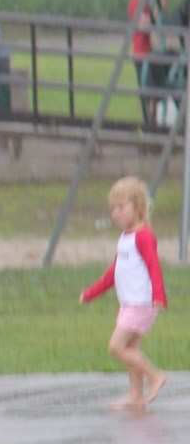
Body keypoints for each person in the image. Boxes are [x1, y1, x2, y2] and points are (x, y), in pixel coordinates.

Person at [80, 176, 167, 412]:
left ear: (137, 206)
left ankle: (155, 375)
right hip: (130, 303)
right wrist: (91, 293)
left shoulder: (144, 236)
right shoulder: (125, 239)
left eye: (121, 207)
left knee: (117, 346)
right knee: (131, 349)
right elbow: (113, 273)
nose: (115, 213)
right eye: (112, 208)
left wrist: (159, 294)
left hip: (142, 303)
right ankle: (135, 396)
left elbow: (153, 266)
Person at [129, 0, 168, 124]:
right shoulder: (136, 3)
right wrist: (157, 10)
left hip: (148, 53)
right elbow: (143, 25)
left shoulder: (146, 4)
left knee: (153, 93)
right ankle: (149, 122)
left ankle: (153, 122)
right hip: (141, 55)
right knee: (148, 94)